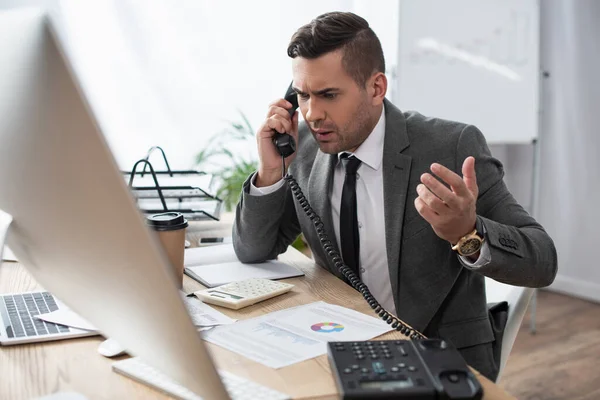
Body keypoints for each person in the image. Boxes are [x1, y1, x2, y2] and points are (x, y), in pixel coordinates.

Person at [232, 11, 557, 381]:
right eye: (303, 95)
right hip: (334, 347)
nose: (312, 113)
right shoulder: (303, 148)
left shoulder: (450, 146)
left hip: (434, 357)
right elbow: (253, 248)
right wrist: (272, 171)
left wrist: (467, 233)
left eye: (328, 95)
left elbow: (543, 260)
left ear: (376, 88)